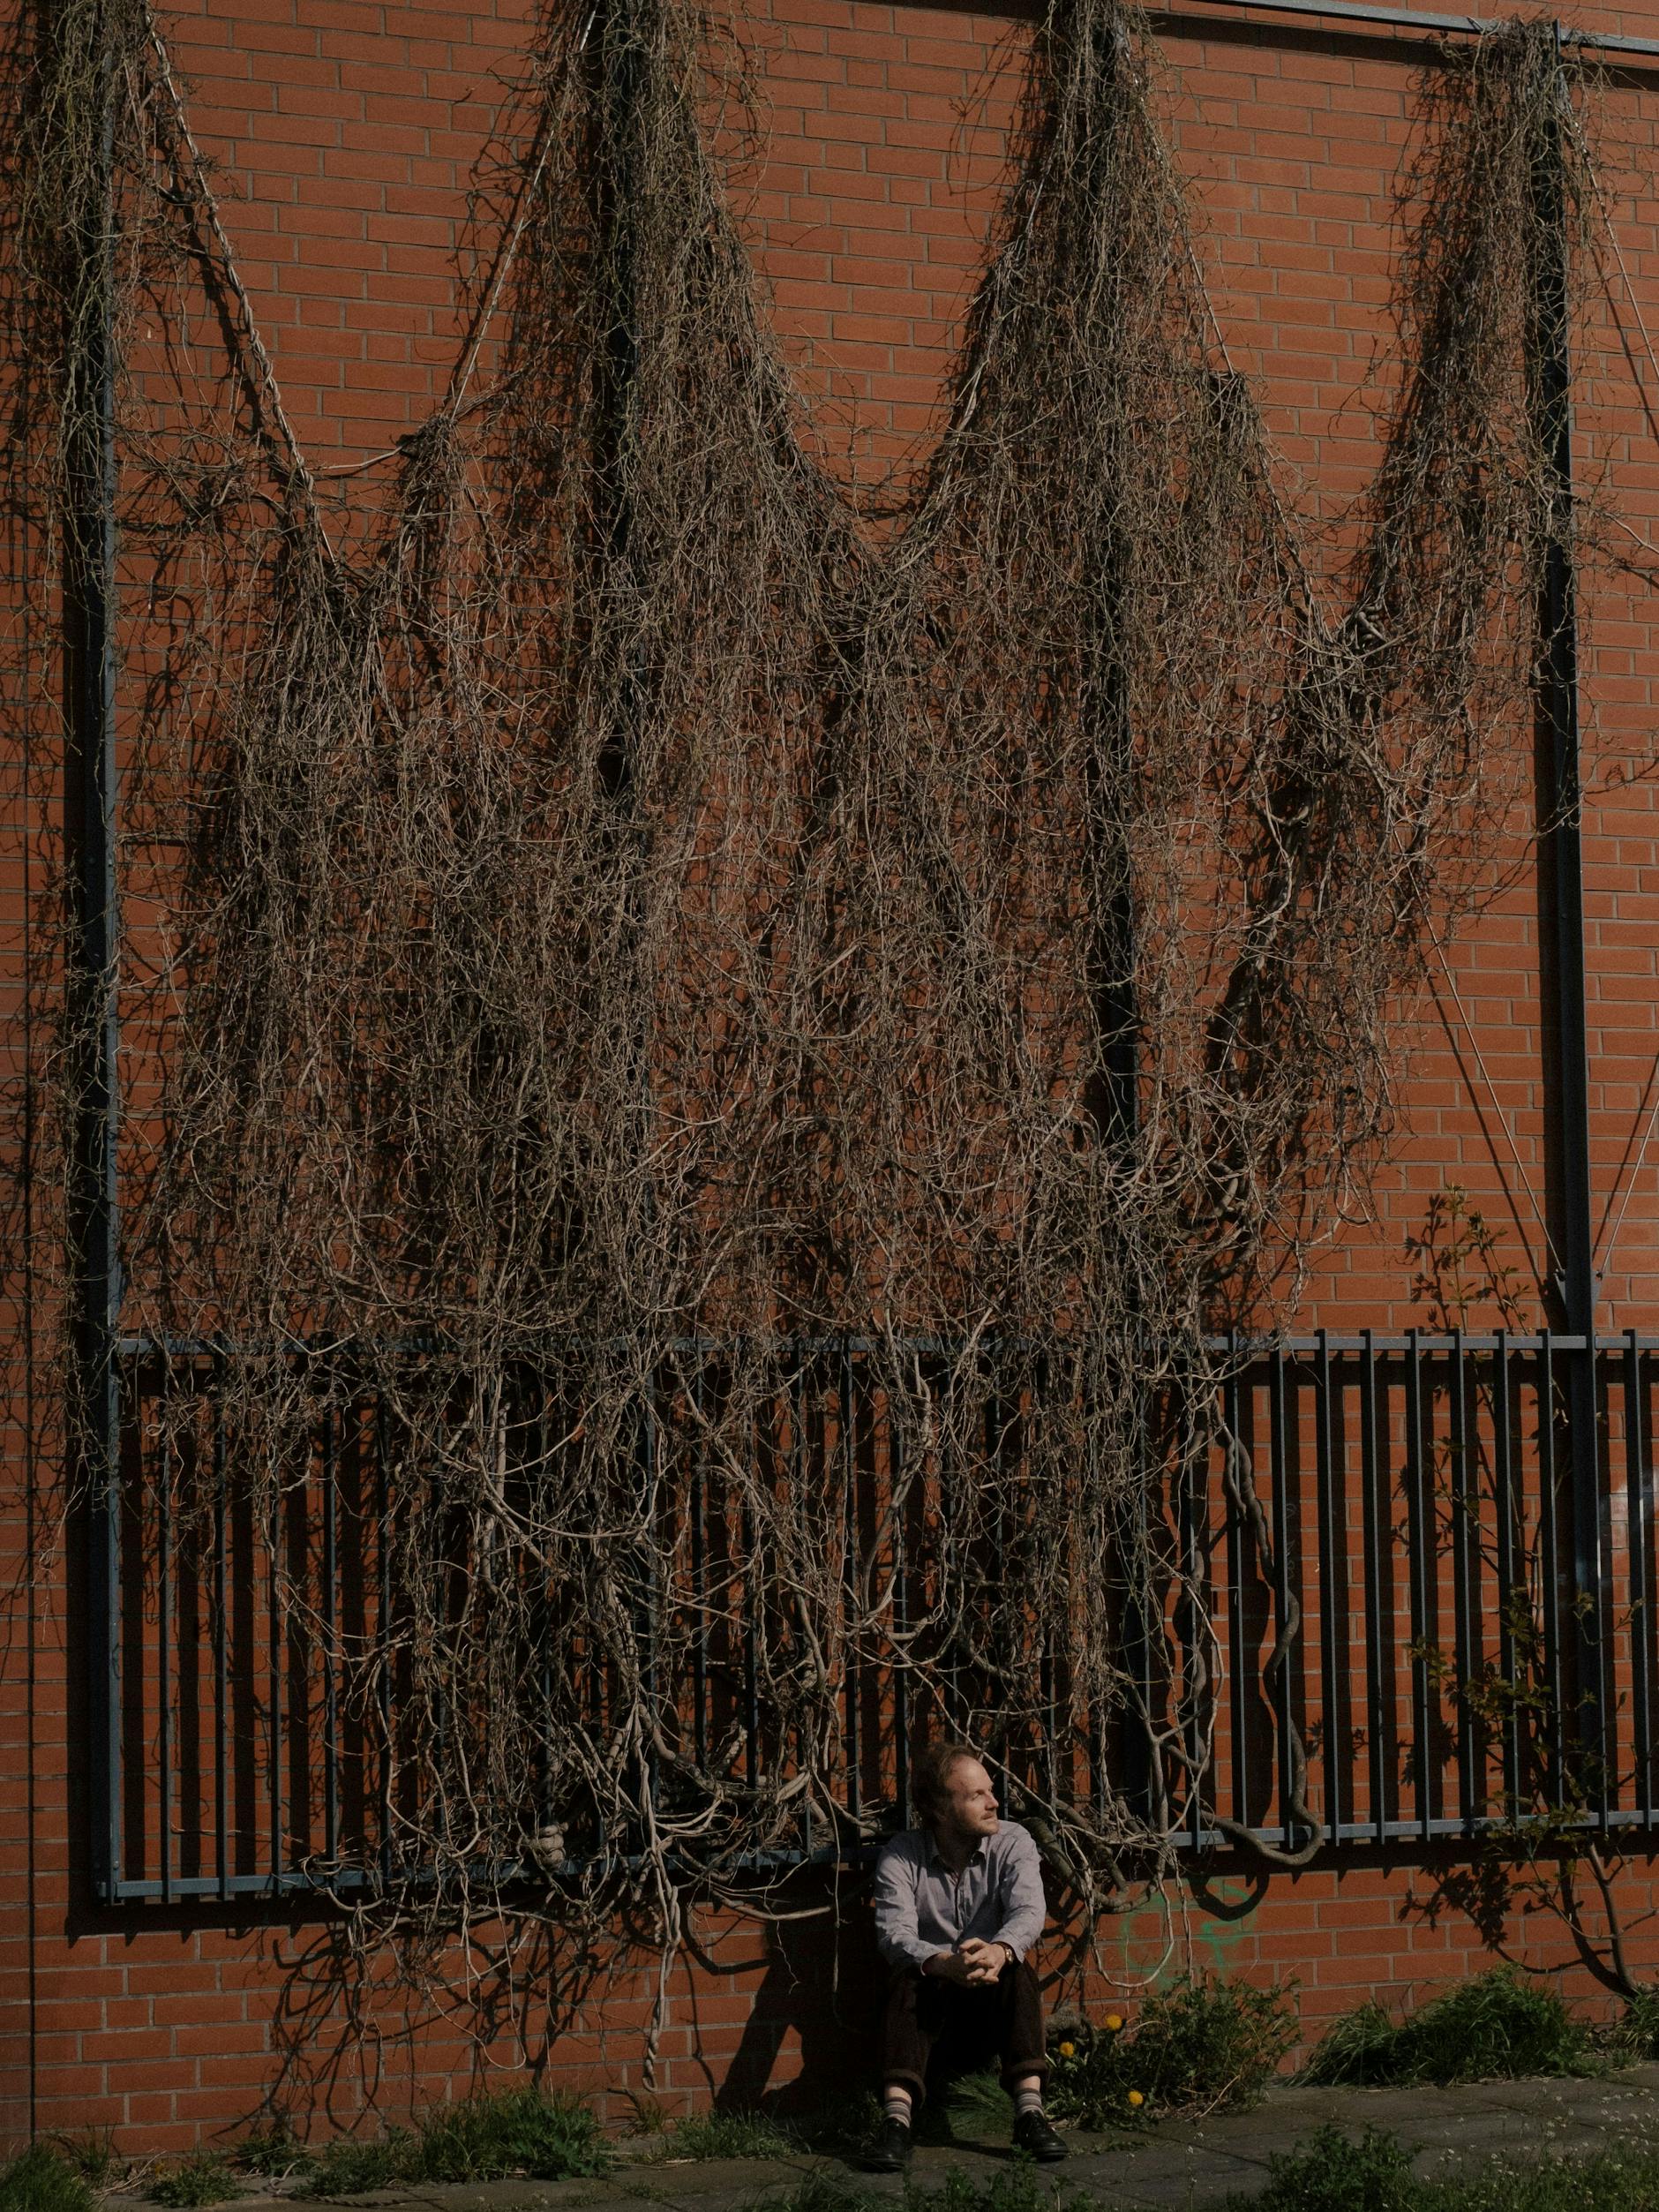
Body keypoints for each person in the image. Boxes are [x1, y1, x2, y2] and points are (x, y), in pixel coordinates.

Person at [863, 1741, 1067, 2171]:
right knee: (909, 1975)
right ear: (938, 1808)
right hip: (931, 2012)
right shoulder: (902, 1855)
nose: (995, 1803)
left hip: (991, 1999)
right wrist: (943, 1963)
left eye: (990, 1791)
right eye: (977, 1795)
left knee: (1018, 1970)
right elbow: (892, 1934)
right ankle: (896, 2123)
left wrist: (998, 1950)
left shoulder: (1015, 1842)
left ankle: (1030, 2114)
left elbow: (1030, 1911)